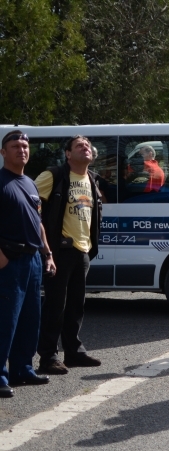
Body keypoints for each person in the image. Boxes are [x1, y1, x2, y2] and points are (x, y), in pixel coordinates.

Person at [35, 135, 103, 375]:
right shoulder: (53, 176)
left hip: (83, 250)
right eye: (79, 145)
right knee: (55, 305)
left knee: (76, 306)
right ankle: (48, 357)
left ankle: (73, 352)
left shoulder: (92, 179)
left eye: (87, 145)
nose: (85, 147)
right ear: (67, 154)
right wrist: (45, 246)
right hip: (60, 250)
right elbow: (29, 204)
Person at [0, 130, 56, 398]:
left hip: (33, 260)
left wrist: (47, 253)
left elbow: (38, 222)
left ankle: (22, 369)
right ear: (3, 152)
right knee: (5, 321)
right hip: (9, 260)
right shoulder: (1, 182)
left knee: (29, 319)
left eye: (25, 145)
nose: (22, 150)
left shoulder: (30, 183)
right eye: (15, 146)